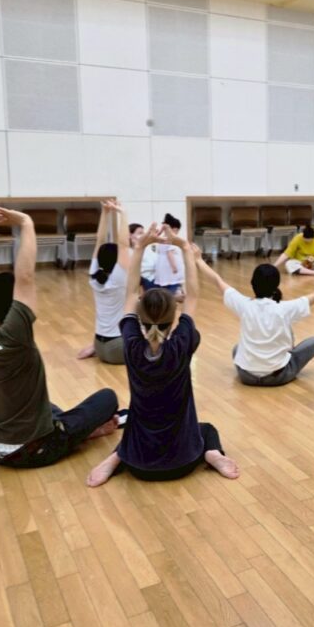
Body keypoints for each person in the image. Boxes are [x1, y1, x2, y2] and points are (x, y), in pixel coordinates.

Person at [0, 205, 119, 468]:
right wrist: (26, 223)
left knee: (46, 405)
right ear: (11, 307)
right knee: (107, 398)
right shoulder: (14, 335)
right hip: (36, 449)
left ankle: (76, 430)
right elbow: (25, 277)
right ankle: (79, 434)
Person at [86, 224, 240, 486]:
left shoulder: (131, 344)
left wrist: (140, 246)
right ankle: (213, 454)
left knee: (134, 426)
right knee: (206, 430)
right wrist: (184, 247)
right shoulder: (182, 344)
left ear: (140, 316)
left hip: (138, 464)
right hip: (184, 462)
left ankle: (116, 457)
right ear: (173, 317)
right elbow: (192, 295)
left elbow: (130, 292)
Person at [194, 259, 314, 386]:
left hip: (246, 376)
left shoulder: (244, 304)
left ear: (252, 284)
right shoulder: (285, 308)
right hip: (278, 377)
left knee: (237, 349)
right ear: (277, 285)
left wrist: (198, 259)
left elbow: (217, 280)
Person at [77, 200, 131, 363]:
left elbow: (99, 240)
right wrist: (123, 213)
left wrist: (105, 213)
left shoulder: (94, 275)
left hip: (100, 345)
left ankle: (93, 349)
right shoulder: (118, 278)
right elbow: (123, 244)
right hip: (118, 346)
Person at [153, 213, 185, 296]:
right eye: (177, 230)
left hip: (162, 268)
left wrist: (161, 230)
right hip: (169, 269)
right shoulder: (170, 239)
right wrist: (174, 267)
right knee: (172, 286)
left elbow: (155, 237)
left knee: (164, 287)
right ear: (174, 229)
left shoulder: (162, 238)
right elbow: (169, 253)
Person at [129, 221, 159, 290]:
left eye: (143, 233)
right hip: (145, 279)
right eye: (140, 233)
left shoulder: (147, 247)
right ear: (130, 235)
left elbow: (155, 261)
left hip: (155, 277)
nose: (143, 236)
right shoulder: (129, 251)